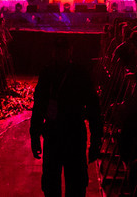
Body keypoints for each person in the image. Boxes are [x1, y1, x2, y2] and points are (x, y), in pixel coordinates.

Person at [31, 37, 102, 197]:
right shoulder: (79, 73)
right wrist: (96, 139)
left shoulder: (48, 73)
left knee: (53, 183)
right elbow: (93, 108)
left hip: (55, 133)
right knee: (74, 183)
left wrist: (35, 134)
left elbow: (38, 106)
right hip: (73, 133)